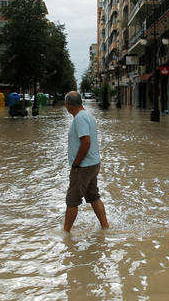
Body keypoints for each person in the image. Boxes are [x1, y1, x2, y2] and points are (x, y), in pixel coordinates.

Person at [63, 91, 109, 232]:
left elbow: (86, 141)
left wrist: (76, 164)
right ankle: (105, 227)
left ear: (68, 104)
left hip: (83, 166)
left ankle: (65, 233)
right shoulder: (87, 115)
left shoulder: (80, 118)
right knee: (93, 196)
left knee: (72, 200)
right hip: (93, 164)